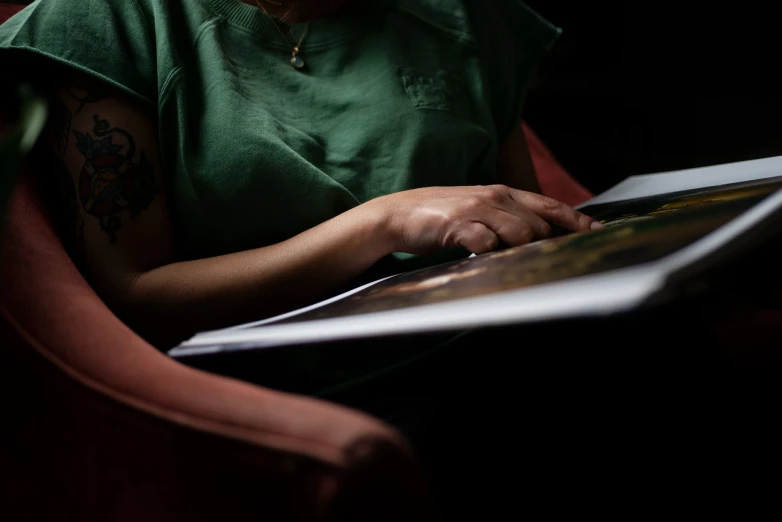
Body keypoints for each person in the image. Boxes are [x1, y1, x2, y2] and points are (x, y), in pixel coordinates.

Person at [0, 0, 603, 514]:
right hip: (310, 395)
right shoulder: (111, 19)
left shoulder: (463, 14)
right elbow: (138, 296)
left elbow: (528, 224)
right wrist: (383, 221)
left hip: (502, 350)